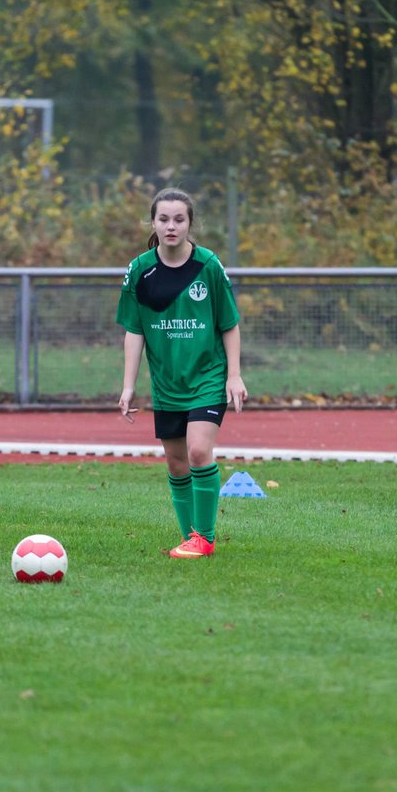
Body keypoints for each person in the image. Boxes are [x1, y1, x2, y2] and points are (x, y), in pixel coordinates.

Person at [116, 188, 247, 558]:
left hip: (207, 377)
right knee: (176, 462)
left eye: (179, 219)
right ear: (153, 223)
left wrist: (233, 375)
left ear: (190, 223)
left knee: (198, 450)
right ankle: (191, 536)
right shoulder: (140, 270)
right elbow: (134, 329)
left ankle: (204, 539)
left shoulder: (208, 265)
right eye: (163, 219)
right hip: (167, 383)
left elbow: (230, 324)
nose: (171, 226)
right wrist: (128, 387)